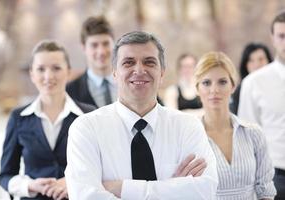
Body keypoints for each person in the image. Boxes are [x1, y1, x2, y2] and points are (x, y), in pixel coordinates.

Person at [65, 31, 218, 199]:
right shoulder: (86, 128)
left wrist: (124, 188)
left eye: (149, 62)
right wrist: (173, 188)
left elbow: (205, 191)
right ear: (114, 73)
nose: (139, 70)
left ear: (162, 73)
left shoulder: (188, 126)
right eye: (128, 63)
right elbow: (85, 196)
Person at [0, 40, 95, 200]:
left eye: (56, 68)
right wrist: (29, 185)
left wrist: (72, 182)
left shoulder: (89, 115)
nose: (48, 76)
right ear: (32, 74)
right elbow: (6, 175)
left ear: (68, 72)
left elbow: (102, 169)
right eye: (41, 69)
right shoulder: (18, 118)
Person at [195, 51, 276, 199]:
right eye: (206, 83)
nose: (214, 90)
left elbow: (265, 188)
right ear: (197, 89)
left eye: (222, 82)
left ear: (233, 86)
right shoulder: (191, 137)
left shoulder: (253, 133)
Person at [238, 11, 285, 200]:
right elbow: (247, 138)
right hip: (276, 177)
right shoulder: (254, 82)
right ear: (272, 39)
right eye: (282, 36)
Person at [66, 16, 117, 107]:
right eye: (94, 45)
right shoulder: (70, 91)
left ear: (114, 44)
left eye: (106, 43)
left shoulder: (130, 82)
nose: (101, 51)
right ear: (83, 48)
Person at [229, 43, 272, 114]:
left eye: (261, 59)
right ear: (245, 65)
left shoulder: (278, 84)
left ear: (269, 61)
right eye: (251, 60)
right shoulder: (239, 92)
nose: (257, 64)